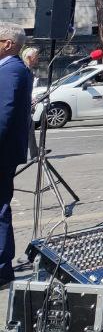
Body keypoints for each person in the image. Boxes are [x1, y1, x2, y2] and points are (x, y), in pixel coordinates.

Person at [0, 24, 33, 286]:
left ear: (9, 44)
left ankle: (1, 268)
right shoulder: (10, 68)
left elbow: (5, 114)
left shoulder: (12, 70)